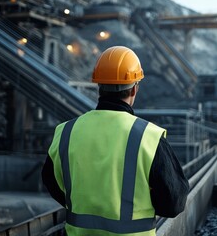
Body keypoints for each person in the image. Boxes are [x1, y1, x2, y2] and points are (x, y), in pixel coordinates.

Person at [41, 46, 190, 235]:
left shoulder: (66, 132)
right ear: (134, 88)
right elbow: (174, 203)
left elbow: (50, 180)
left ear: (99, 87)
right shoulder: (148, 137)